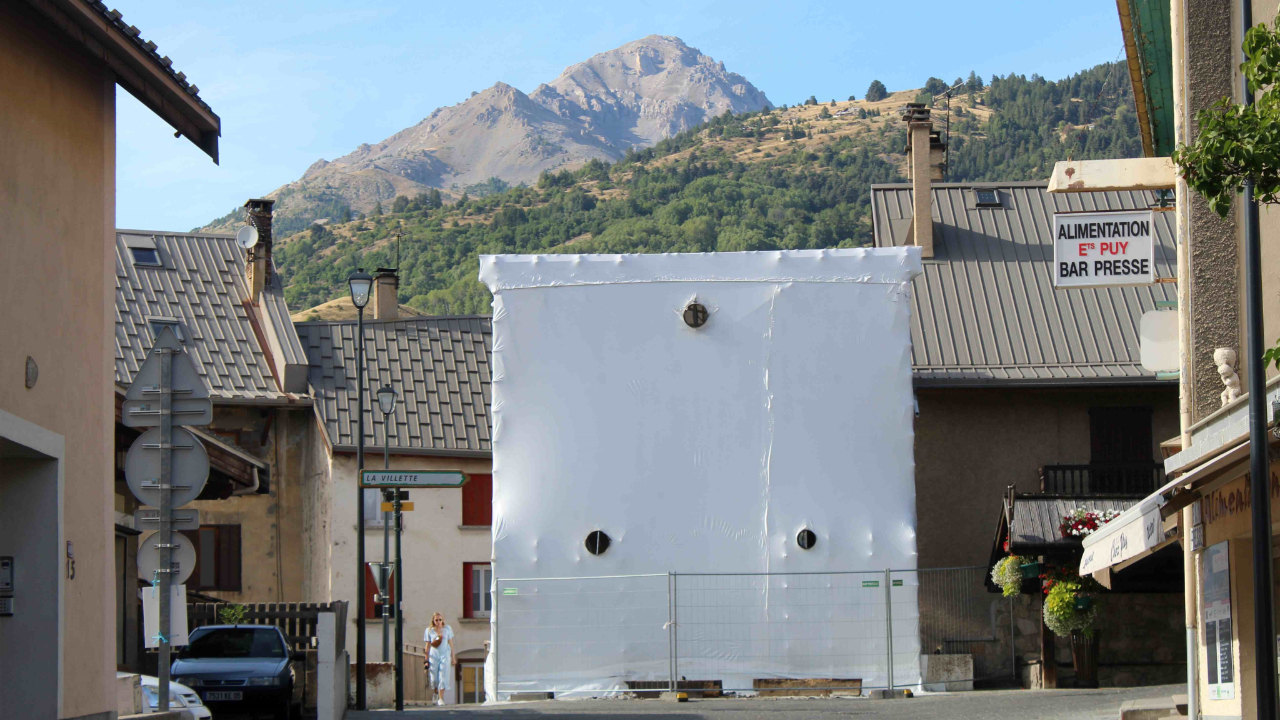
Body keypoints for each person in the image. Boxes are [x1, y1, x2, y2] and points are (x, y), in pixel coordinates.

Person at [424, 612, 454, 706]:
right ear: (433, 621)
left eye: (440, 620)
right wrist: (426, 659)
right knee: (434, 679)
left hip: (445, 654)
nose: (438, 622)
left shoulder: (447, 629)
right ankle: (435, 693)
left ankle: (441, 698)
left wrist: (453, 657)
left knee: (443, 675)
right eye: (436, 620)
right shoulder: (429, 630)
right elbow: (428, 645)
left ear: (442, 620)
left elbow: (450, 643)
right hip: (434, 655)